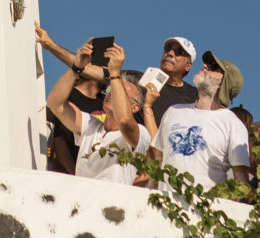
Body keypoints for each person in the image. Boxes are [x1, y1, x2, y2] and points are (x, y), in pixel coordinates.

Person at [36, 23, 196, 130]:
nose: (170, 53)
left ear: (189, 66)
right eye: (168, 48)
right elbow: (89, 70)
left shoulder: (194, 96)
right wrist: (50, 45)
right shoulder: (135, 80)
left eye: (179, 52)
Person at [47, 39, 150, 185]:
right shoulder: (91, 125)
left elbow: (125, 121)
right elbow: (55, 103)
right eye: (110, 89)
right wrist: (76, 67)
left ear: (135, 108)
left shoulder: (141, 133)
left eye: (120, 92)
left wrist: (114, 73)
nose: (111, 93)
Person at [149, 50, 250, 190]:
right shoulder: (173, 111)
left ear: (225, 83)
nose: (205, 66)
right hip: (164, 207)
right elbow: (157, 161)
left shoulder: (233, 124)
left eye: (214, 67)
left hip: (204, 209)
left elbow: (241, 181)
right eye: (207, 64)